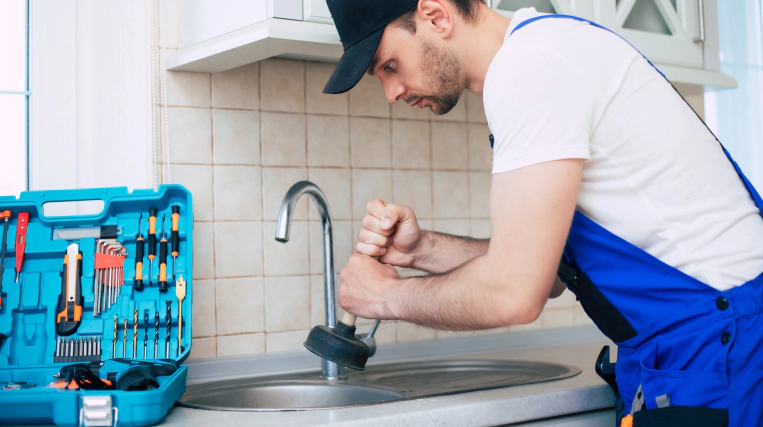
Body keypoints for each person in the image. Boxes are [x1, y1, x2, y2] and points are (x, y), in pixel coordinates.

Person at [322, 1, 763, 426]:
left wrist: (384, 297)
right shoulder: (544, 51)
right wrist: (421, 250)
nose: (391, 92)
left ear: (435, 15)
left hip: (723, 347)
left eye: (389, 65)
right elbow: (547, 273)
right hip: (709, 344)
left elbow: (516, 291)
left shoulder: (529, 70)